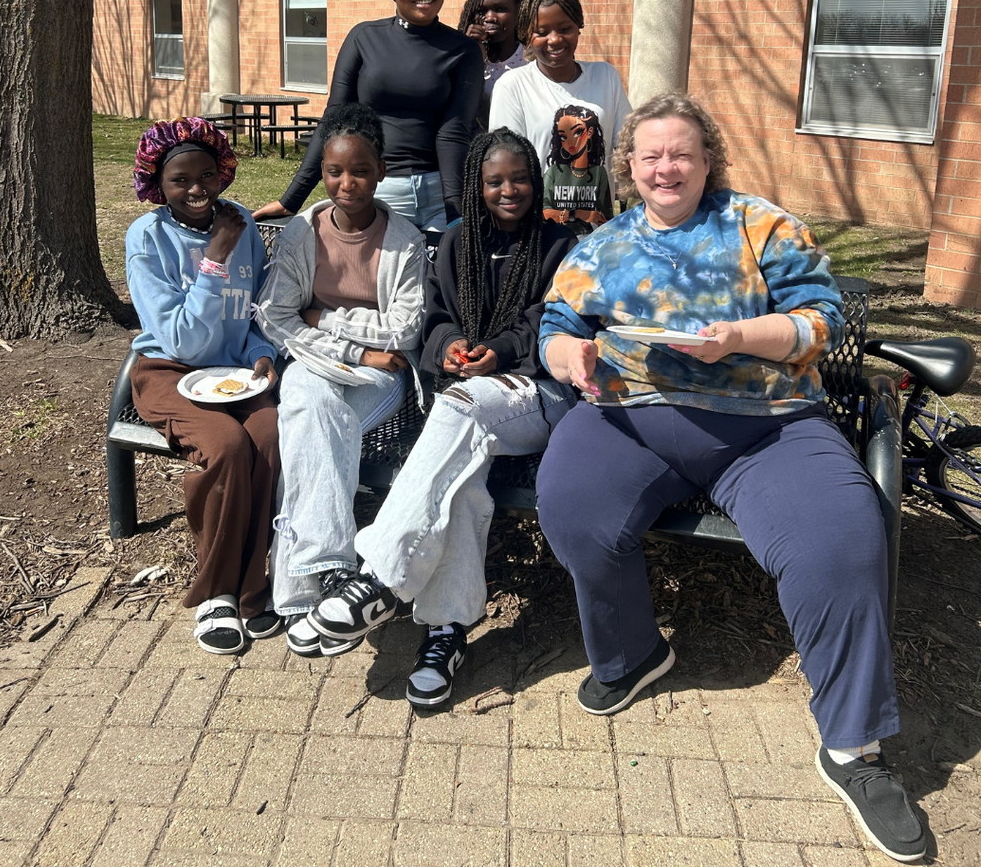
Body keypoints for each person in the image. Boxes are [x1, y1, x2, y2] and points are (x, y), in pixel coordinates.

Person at [535, 92, 926, 864]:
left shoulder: (761, 226)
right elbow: (557, 321)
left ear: (708, 157)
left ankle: (854, 749)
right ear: (629, 166)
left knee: (841, 541)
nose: (665, 166)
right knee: (571, 502)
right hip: (631, 413)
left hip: (766, 424)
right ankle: (634, 655)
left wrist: (742, 337)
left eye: (681, 152)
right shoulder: (603, 244)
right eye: (650, 155)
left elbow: (823, 318)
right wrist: (566, 356)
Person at [294, 128, 577, 706]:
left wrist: (497, 351)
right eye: (494, 180)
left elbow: (550, 324)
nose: (508, 190)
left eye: (519, 179)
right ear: (475, 185)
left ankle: (377, 576)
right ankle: (446, 633)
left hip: (537, 397)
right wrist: (450, 346)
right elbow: (434, 318)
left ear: (536, 182)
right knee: (460, 483)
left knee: (459, 411)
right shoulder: (455, 244)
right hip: (467, 405)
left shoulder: (559, 245)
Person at [253, 102, 426, 657]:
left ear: (381, 172)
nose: (345, 183)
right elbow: (276, 314)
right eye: (333, 172)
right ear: (322, 172)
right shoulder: (304, 231)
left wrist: (323, 318)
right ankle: (325, 578)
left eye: (359, 171)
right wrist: (357, 347)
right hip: (323, 365)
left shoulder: (405, 239)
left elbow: (403, 330)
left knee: (307, 416)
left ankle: (300, 588)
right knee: (311, 404)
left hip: (382, 380)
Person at [126, 117, 281, 655]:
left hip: (238, 373)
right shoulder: (147, 238)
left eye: (207, 175)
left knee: (270, 436)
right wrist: (214, 260)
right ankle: (217, 591)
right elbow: (183, 343)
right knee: (226, 445)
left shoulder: (241, 223)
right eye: (180, 180)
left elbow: (262, 307)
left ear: (222, 174)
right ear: (157, 184)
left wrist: (262, 351)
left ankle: (253, 585)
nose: (196, 190)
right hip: (169, 373)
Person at [253, 0, 483, 229]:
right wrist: (291, 200)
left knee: (439, 275)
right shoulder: (364, 38)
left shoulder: (462, 50)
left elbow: (454, 132)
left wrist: (455, 214)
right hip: (378, 191)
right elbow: (333, 119)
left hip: (439, 195)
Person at [488, 0, 630, 220]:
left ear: (579, 27)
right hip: (539, 232)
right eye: (542, 33)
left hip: (598, 236)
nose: (554, 40)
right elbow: (506, 167)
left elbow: (629, 145)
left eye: (565, 28)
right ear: (526, 35)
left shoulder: (606, 76)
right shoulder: (513, 85)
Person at [456, 0, 527, 132]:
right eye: (481, 11)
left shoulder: (532, 61)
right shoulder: (460, 59)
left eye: (500, 9)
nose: (489, 17)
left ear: (519, 10)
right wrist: (470, 59)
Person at [541, 104, 613, 234]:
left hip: (590, 241)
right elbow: (544, 212)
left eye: (577, 132)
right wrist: (577, 214)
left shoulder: (599, 172)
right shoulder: (554, 172)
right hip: (557, 239)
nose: (570, 142)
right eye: (563, 136)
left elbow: (605, 216)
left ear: (590, 132)